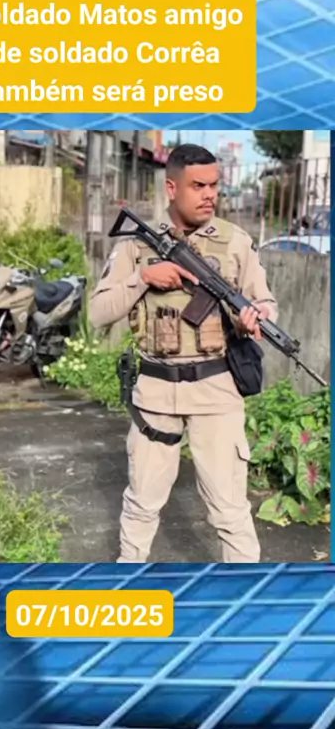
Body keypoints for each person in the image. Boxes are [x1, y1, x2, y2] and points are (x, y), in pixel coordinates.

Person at [89, 143, 277, 564]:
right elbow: (98, 312)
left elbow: (265, 302)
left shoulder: (236, 242)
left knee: (229, 510)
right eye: (198, 186)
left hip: (217, 391)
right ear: (172, 188)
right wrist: (143, 278)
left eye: (214, 185)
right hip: (155, 393)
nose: (210, 195)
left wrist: (259, 316)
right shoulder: (136, 245)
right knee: (141, 505)